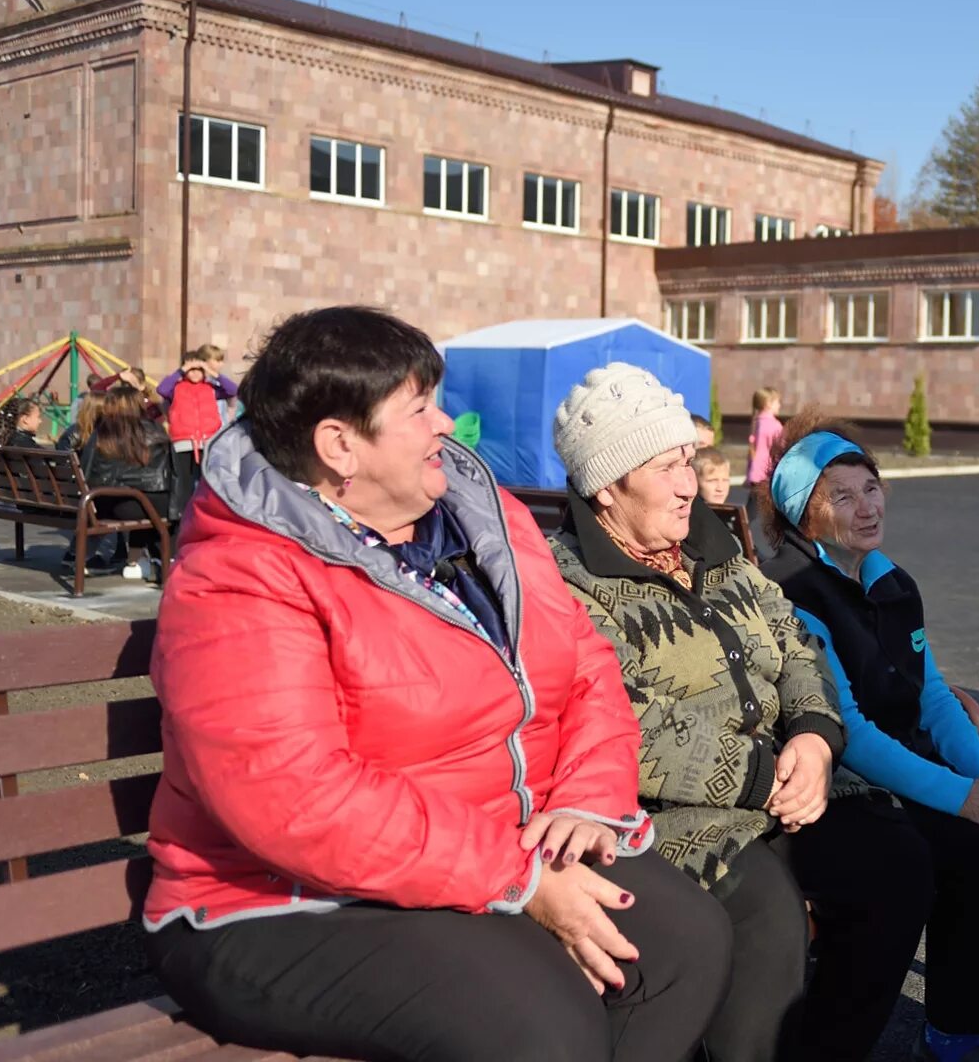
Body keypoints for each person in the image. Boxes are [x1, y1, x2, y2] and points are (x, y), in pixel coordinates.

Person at [141, 307, 728, 1062]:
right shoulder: (243, 574)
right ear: (340, 446)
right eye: (419, 408)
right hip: (276, 901)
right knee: (541, 1028)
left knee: (686, 943)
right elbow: (295, 796)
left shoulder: (483, 515)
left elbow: (585, 664)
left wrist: (588, 797)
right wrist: (518, 878)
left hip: (483, 848)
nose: (445, 424)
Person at [548, 364, 931, 1062]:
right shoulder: (571, 584)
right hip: (688, 816)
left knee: (897, 865)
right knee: (769, 918)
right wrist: (766, 775)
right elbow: (623, 720)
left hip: (794, 784)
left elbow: (798, 645)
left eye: (688, 461)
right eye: (666, 468)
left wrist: (815, 739)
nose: (689, 483)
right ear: (607, 485)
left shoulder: (714, 550)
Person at [757, 415, 979, 1062]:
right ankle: (956, 1031)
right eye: (841, 496)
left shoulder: (890, 580)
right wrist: (964, 799)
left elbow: (933, 695)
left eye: (870, 487)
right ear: (802, 515)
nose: (866, 506)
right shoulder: (795, 593)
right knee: (978, 850)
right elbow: (853, 735)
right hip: (853, 780)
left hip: (907, 758)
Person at [78, 389, 174, 581]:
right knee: (169, 507)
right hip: (142, 504)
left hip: (104, 503)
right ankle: (161, 561)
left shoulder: (101, 433)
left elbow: (85, 472)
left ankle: (137, 561)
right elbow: (167, 474)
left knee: (146, 503)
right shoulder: (153, 430)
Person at [165, 353, 224, 518]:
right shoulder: (176, 388)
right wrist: (181, 370)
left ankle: (208, 513)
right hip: (183, 442)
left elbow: (232, 389)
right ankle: (183, 515)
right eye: (191, 370)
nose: (195, 373)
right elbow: (162, 389)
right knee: (184, 483)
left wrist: (211, 371)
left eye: (199, 370)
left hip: (207, 441)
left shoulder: (210, 388)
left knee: (208, 483)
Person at [746, 387, 783, 494]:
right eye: (777, 402)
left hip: (755, 472)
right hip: (767, 473)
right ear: (768, 404)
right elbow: (781, 447)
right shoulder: (774, 425)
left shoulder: (756, 423)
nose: (779, 405)